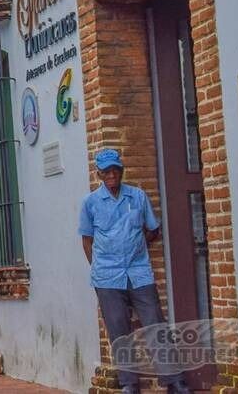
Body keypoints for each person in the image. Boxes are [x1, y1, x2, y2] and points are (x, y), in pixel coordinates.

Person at [78, 148, 189, 394]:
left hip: (139, 272)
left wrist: (138, 245)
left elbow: (153, 228)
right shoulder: (90, 203)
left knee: (155, 324)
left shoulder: (137, 196)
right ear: (98, 174)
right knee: (119, 329)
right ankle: (129, 383)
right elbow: (87, 240)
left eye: (115, 170)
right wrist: (98, 268)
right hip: (107, 276)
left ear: (122, 171)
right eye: (106, 171)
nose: (112, 175)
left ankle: (174, 381)